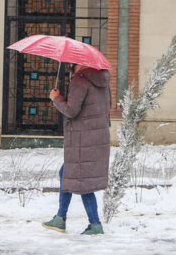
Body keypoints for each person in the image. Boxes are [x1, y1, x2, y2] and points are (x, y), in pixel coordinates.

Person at [42, 63, 111, 235]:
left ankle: (94, 224)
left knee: (80, 181)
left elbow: (71, 111)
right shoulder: (102, 81)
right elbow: (105, 107)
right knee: (69, 175)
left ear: (80, 64)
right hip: (98, 137)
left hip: (82, 139)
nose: (70, 66)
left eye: (72, 63)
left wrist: (56, 98)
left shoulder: (80, 81)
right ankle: (60, 218)